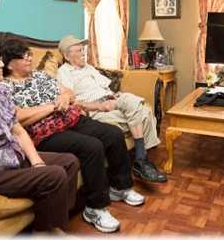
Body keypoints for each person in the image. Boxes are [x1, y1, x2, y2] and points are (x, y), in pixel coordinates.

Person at [0, 38, 145, 233]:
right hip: (44, 133)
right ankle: (95, 208)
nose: (30, 58)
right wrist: (51, 107)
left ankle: (120, 187)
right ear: (9, 63)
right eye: (24, 56)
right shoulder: (4, 87)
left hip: (70, 118)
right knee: (92, 147)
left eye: (29, 54)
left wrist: (65, 97)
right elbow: (19, 118)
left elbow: (68, 92)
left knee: (113, 133)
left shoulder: (40, 76)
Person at [0, 35, 80, 234]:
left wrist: (36, 162)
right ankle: (48, 231)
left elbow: (18, 130)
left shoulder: (0, 91)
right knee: (53, 175)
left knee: (69, 161)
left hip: (15, 157)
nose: (1, 64)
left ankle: (51, 223)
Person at [57, 35, 167, 183]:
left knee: (136, 105)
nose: (84, 53)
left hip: (112, 100)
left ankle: (141, 160)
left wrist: (113, 97)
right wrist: (98, 106)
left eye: (83, 49)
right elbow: (72, 101)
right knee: (142, 111)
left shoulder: (89, 68)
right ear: (67, 56)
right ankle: (142, 161)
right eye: (79, 50)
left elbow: (107, 87)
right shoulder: (65, 72)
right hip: (96, 109)